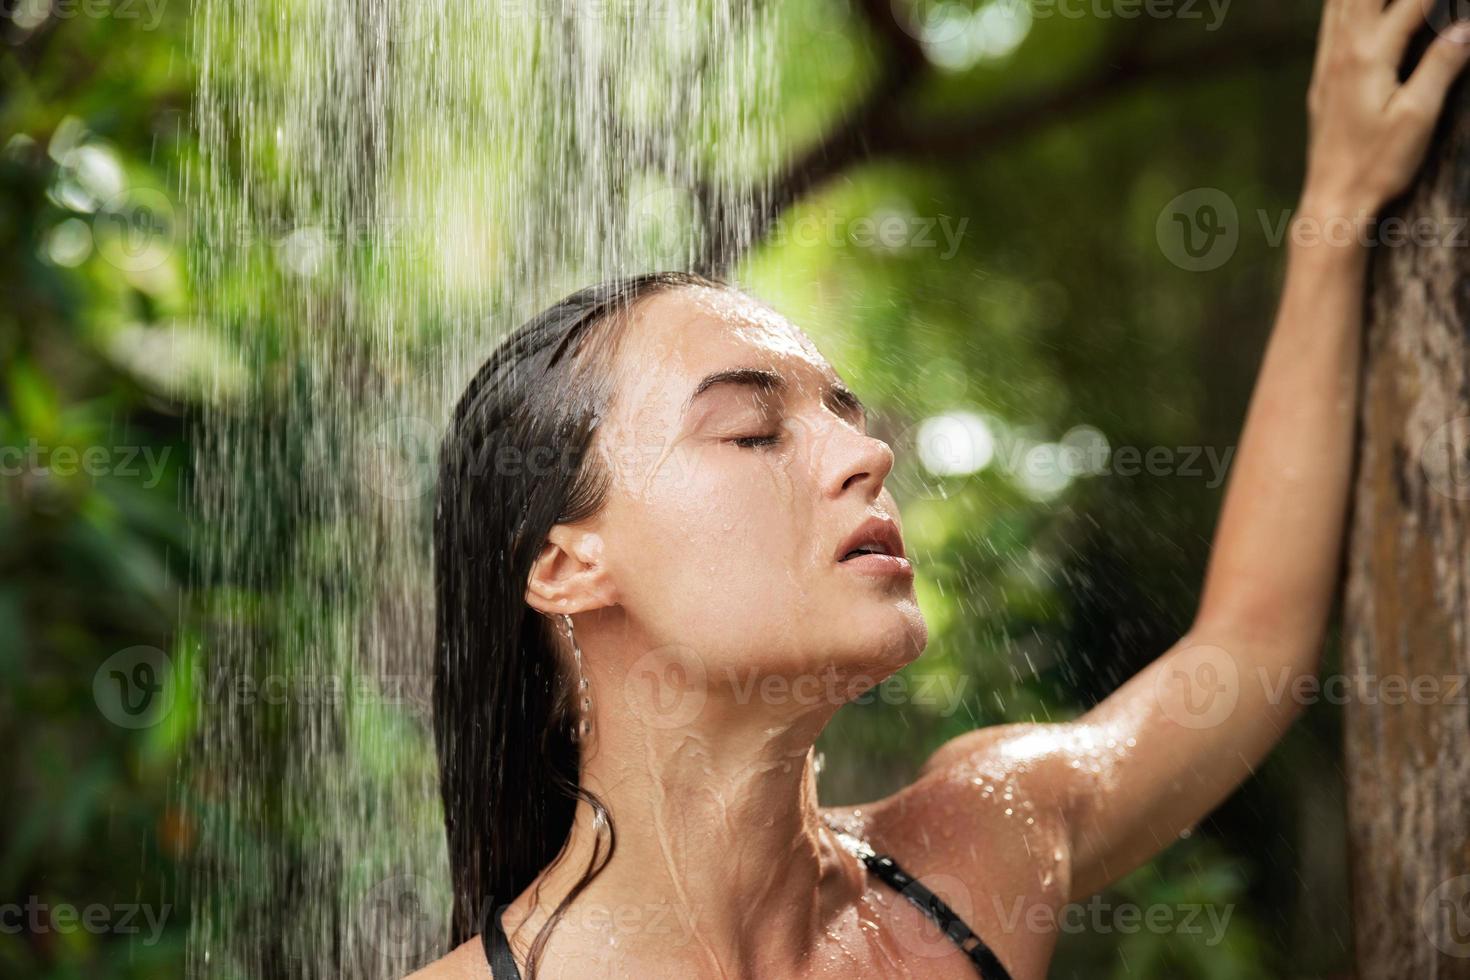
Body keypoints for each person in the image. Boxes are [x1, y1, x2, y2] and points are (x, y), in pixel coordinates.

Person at [411, 3, 1470, 976]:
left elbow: (1250, 647)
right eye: (749, 429)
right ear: (568, 564)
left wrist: (1336, 203)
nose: (864, 455)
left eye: (846, 412)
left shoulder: (977, 852)